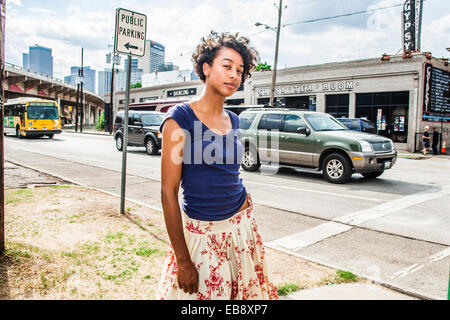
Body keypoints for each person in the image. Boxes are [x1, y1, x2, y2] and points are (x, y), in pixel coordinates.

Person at [156, 31, 279, 300]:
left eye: (240, 70)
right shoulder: (179, 119)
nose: (234, 75)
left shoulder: (234, 120)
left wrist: (243, 198)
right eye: (227, 66)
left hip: (240, 230)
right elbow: (168, 192)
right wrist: (183, 261)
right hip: (202, 237)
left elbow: (229, 172)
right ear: (207, 68)